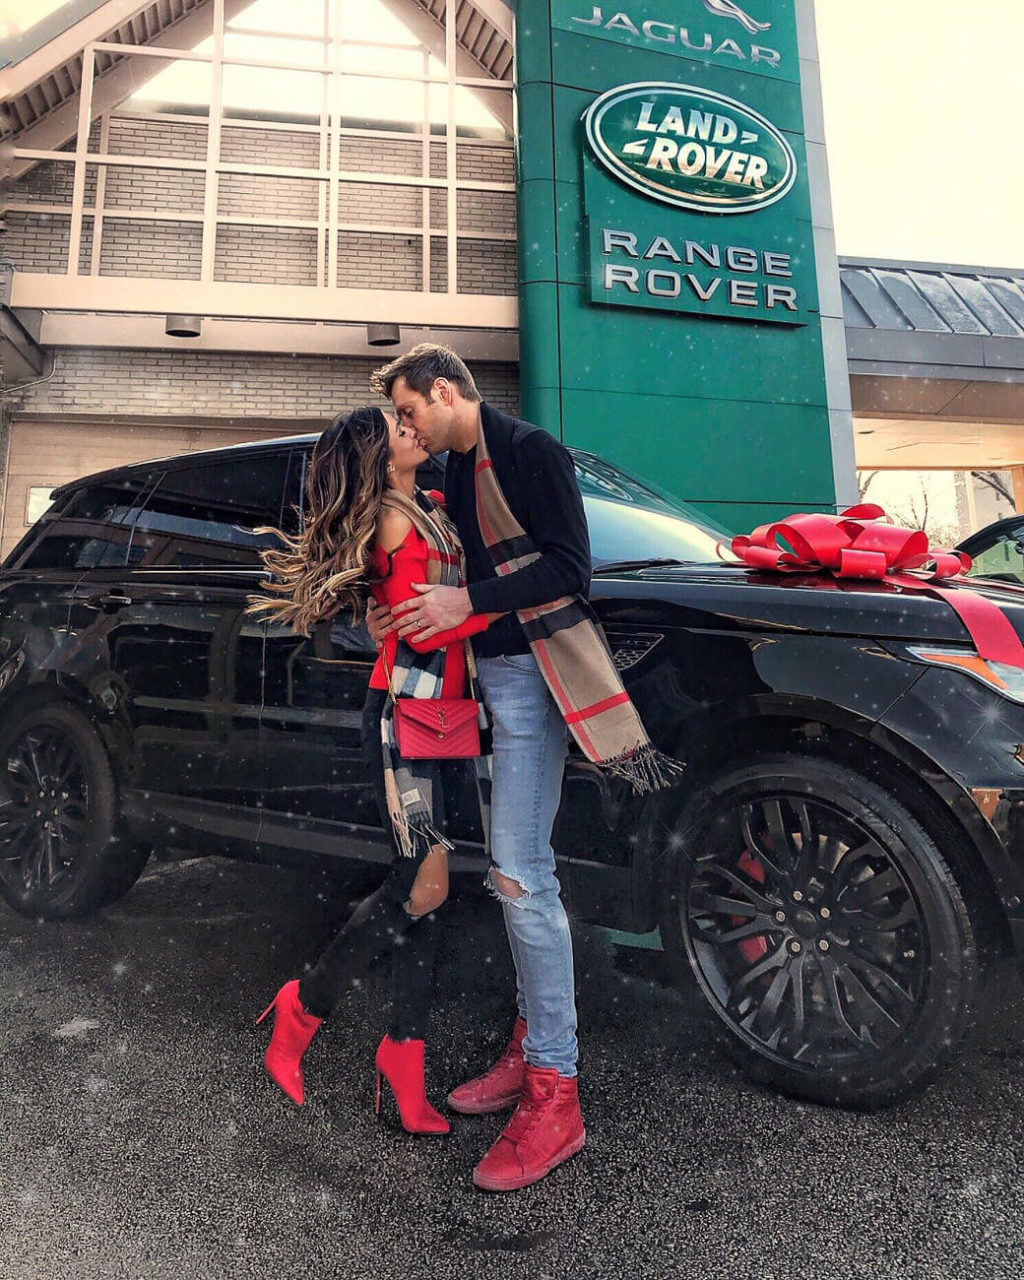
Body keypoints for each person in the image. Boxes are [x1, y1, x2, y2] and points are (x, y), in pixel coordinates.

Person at [367, 345, 681, 1191]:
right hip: (492, 684)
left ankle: (555, 1090)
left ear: (444, 390)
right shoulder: (458, 473)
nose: (407, 426)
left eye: (410, 410)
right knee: (519, 873)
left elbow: (570, 569)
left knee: (518, 874)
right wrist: (392, 605)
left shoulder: (531, 451)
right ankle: (533, 1044)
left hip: (535, 677)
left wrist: (465, 601)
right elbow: (436, 563)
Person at [249, 405, 496, 1135]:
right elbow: (431, 621)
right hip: (404, 716)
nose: (412, 427)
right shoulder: (390, 518)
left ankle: (403, 1058)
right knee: (422, 882)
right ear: (376, 453)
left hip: (447, 713)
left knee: (426, 893)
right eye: (397, 425)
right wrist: (510, 606)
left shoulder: (431, 505)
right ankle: (302, 1007)